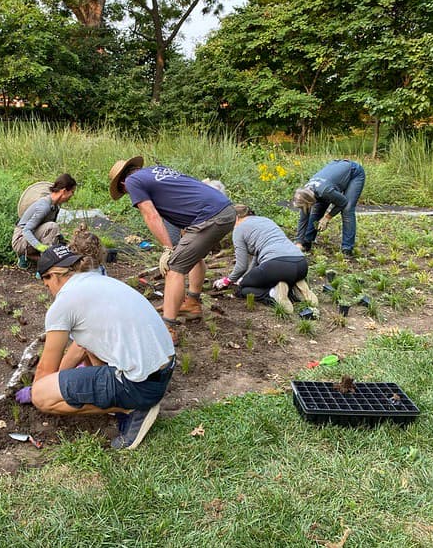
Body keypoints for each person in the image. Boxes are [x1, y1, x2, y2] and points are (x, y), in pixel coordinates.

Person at [17, 245, 175, 450]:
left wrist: (37, 391)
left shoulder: (64, 303)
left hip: (140, 386)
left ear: (53, 276)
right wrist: (63, 380)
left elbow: (46, 369)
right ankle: (125, 396)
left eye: (45, 280)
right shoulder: (98, 281)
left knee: (42, 396)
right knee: (85, 345)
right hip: (163, 370)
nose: (47, 288)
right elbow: (81, 346)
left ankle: (132, 409)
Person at [108, 157, 235, 344]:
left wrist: (168, 249)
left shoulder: (132, 182)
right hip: (223, 209)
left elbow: (150, 215)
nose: (129, 195)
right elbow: (183, 197)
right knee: (192, 255)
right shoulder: (156, 172)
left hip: (210, 216)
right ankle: (191, 303)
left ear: (122, 183)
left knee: (174, 266)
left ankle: (167, 328)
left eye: (124, 192)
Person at [212, 205, 318, 313]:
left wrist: (228, 280)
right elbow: (257, 256)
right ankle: (295, 288)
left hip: (278, 266)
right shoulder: (265, 220)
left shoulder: (239, 229)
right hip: (301, 264)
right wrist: (246, 276)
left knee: (242, 289)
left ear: (236, 218)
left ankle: (272, 294)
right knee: (251, 278)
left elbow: (241, 266)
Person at [293, 159, 366, 257]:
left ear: (311, 201)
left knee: (347, 210)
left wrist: (327, 217)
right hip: (333, 173)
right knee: (318, 208)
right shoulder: (305, 193)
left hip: (354, 172)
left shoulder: (325, 191)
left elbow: (343, 202)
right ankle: (306, 242)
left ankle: (347, 248)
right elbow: (303, 218)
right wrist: (299, 242)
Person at [12, 174, 77, 267]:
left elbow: (46, 231)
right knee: (52, 227)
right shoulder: (44, 207)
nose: (72, 195)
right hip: (20, 239)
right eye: (72, 192)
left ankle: (33, 257)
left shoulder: (55, 207)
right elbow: (26, 230)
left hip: (33, 236)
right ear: (64, 191)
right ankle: (45, 266)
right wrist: (40, 247)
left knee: (58, 239)